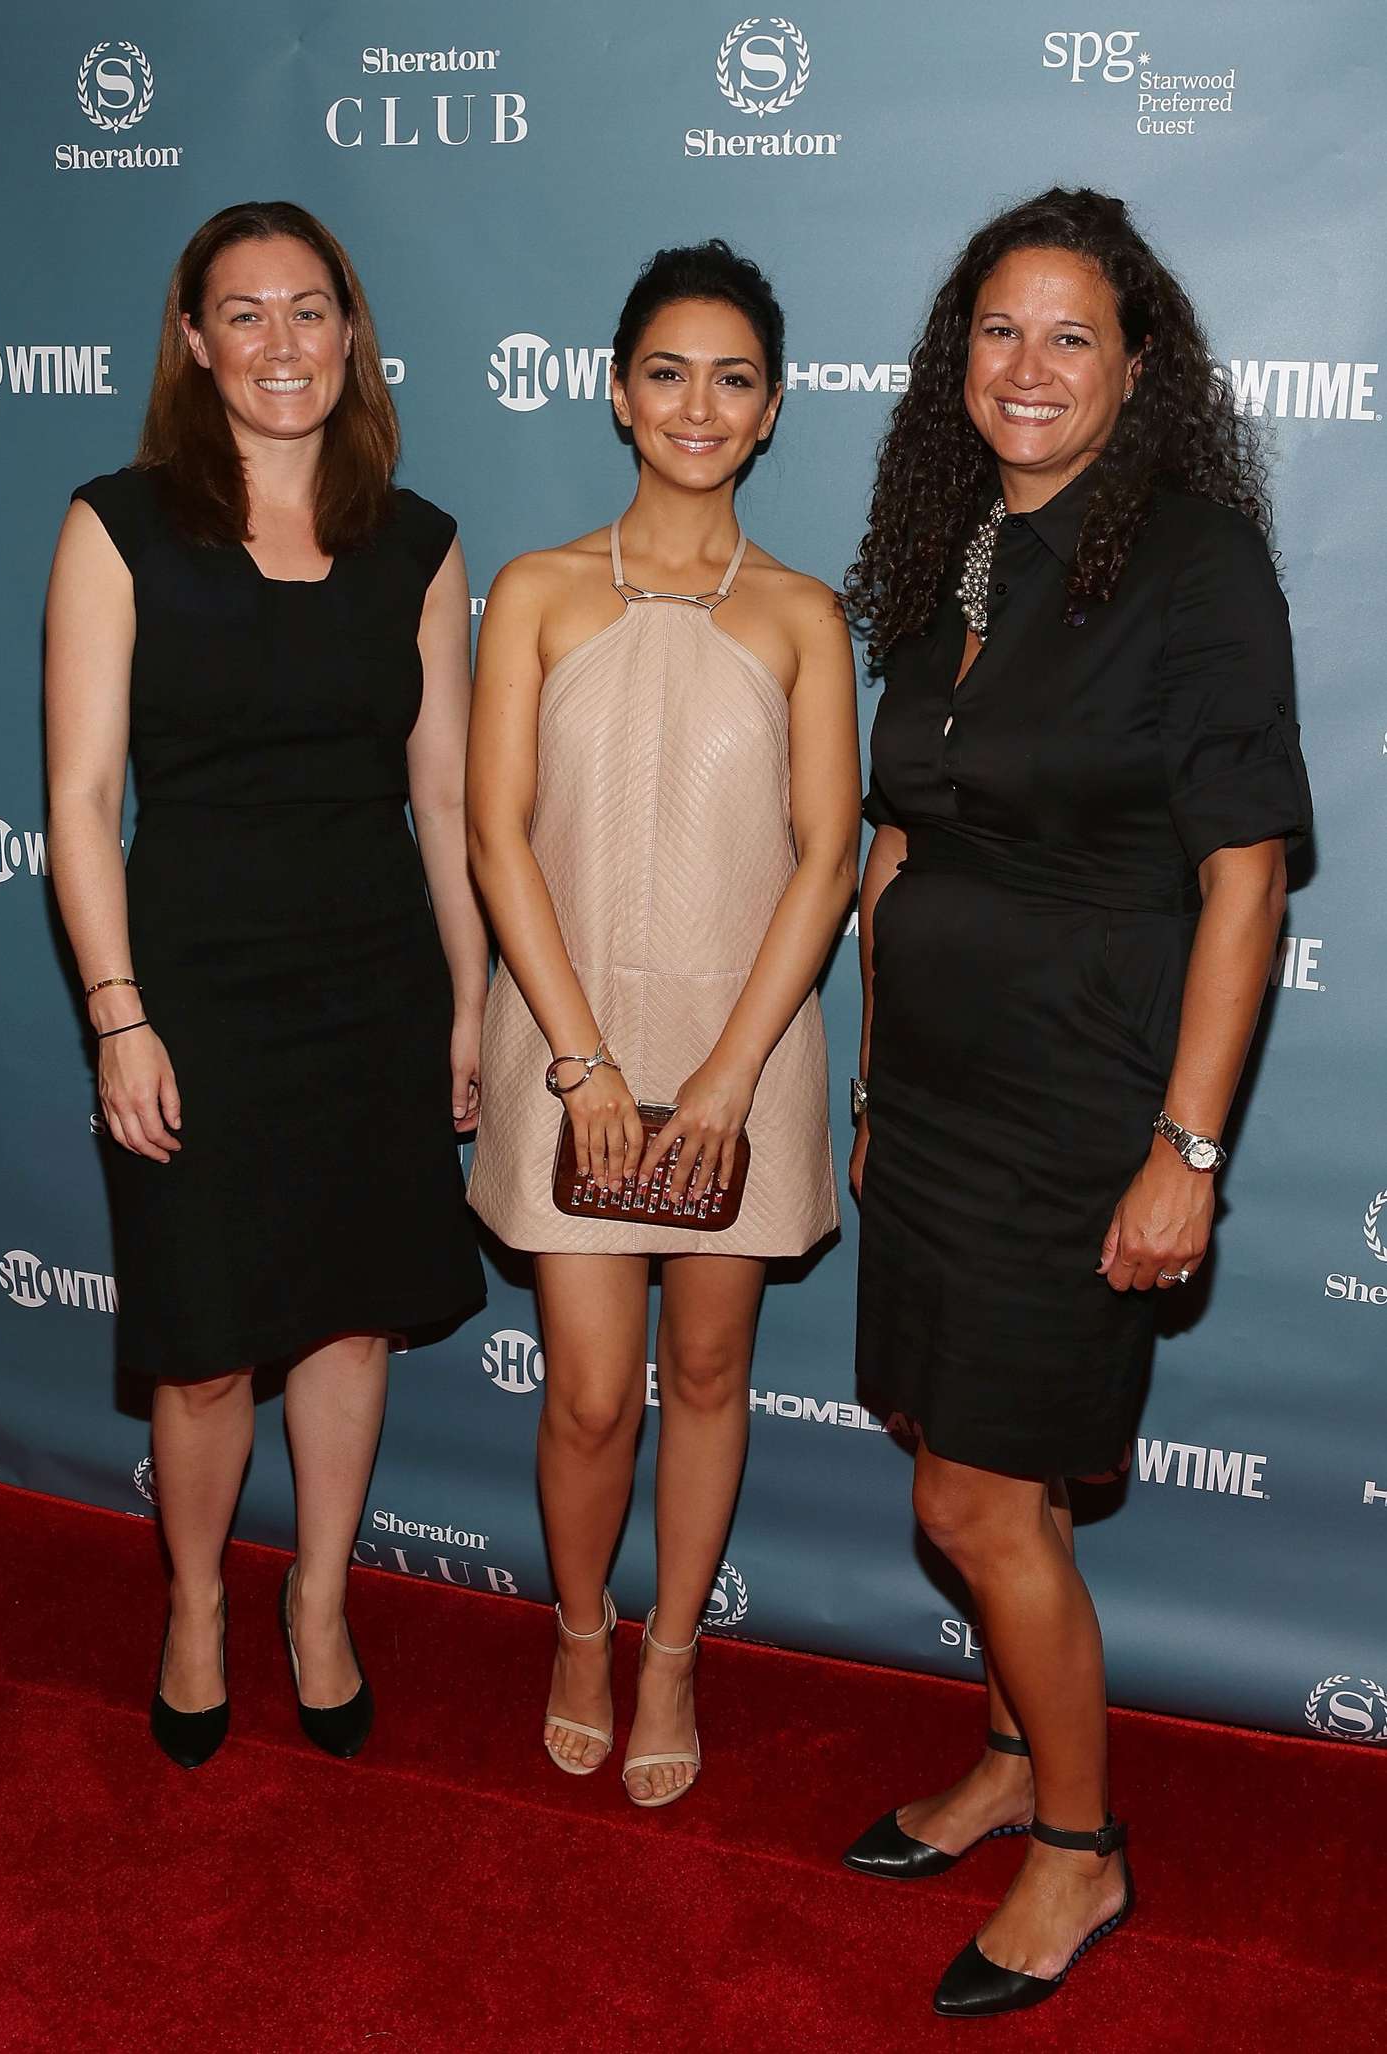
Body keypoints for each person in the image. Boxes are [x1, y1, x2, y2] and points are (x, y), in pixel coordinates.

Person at [841, 187, 1311, 2016]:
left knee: (978, 1503)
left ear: (1136, 369)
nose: (1024, 369)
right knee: (968, 1465)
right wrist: (874, 1078)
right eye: (994, 331)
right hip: (938, 1101)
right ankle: (1014, 1753)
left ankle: (1080, 1852)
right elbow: (902, 853)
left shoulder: (1191, 565)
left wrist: (1184, 1150)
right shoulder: (955, 550)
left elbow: (1246, 877)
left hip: (1079, 1103)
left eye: (1068, 337)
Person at [45, 200, 486, 1770]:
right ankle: (193, 1606)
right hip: (193, 988)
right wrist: (117, 1012)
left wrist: (469, 1001)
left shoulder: (420, 546)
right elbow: (81, 803)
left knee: (349, 1321)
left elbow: (444, 805)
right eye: (244, 312)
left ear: (351, 334)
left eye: (310, 310)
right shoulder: (118, 526)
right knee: (208, 1335)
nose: (281, 342)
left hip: (372, 976)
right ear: (191, 341)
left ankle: (316, 1601)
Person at [466, 241, 858, 1807]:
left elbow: (828, 853)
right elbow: (497, 835)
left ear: (768, 413)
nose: (699, 404)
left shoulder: (802, 615)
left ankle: (675, 1648)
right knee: (581, 1385)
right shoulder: (541, 590)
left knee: (706, 1372)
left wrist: (721, 1078)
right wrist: (582, 1063)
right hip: (569, 1046)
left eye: (735, 377)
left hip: (737, 1059)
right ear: (617, 389)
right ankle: (579, 1630)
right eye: (669, 371)